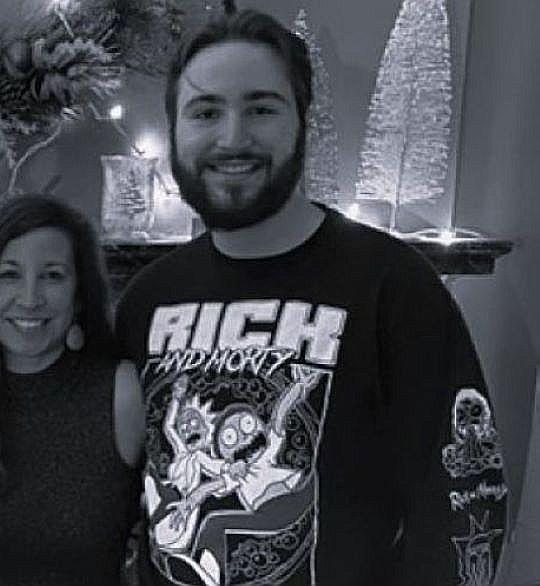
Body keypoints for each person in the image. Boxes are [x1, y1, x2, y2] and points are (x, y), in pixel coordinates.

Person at [114, 9, 508, 586]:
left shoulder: (395, 286)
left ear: (302, 120)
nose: (232, 138)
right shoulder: (147, 300)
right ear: (175, 129)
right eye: (205, 112)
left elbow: (464, 499)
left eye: (261, 109)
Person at [0, 196, 144, 585]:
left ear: (79, 295)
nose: (29, 299)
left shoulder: (120, 394)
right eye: (9, 275)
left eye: (53, 276)